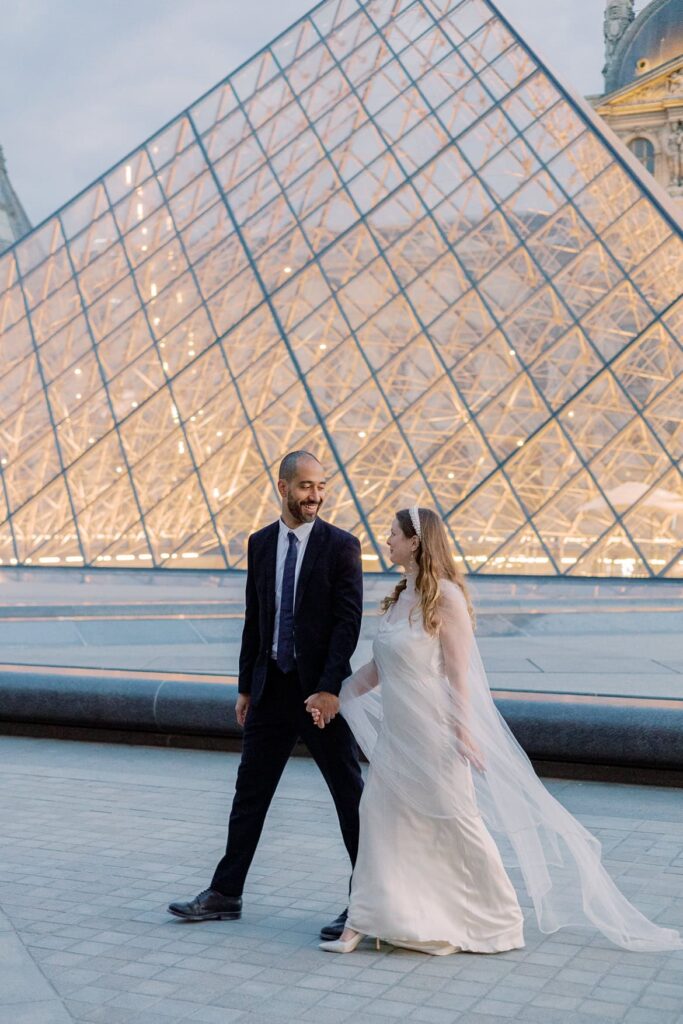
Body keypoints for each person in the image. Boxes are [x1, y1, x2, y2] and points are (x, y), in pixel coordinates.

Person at [317, 507, 683, 955]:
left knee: (454, 823)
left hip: (434, 734)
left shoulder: (446, 597)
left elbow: (458, 674)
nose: (386, 540)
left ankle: (494, 917)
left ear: (415, 542)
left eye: (393, 534)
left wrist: (464, 732)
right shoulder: (398, 599)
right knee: (379, 818)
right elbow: (379, 667)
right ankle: (365, 919)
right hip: (398, 736)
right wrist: (333, 696)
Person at [169, 451, 364, 942]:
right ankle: (225, 892)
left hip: (318, 696)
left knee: (350, 798)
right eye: (305, 487)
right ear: (282, 487)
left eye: (320, 486)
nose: (315, 496)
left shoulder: (342, 546)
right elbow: (255, 620)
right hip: (269, 689)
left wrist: (329, 688)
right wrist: (243, 686)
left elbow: (347, 624)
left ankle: (366, 900)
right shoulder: (259, 544)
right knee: (249, 795)